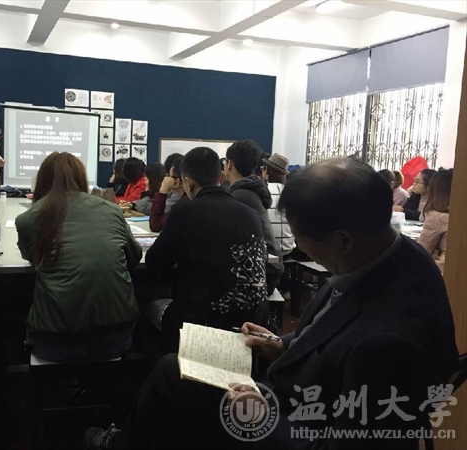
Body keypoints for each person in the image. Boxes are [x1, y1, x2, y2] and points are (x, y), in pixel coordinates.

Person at [85, 158, 458, 450]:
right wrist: (282, 344)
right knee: (178, 370)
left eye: (300, 238)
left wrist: (257, 414)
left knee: (172, 377)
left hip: (291, 418)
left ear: (342, 240)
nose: (298, 246)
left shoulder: (387, 346)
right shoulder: (392, 254)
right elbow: (334, 326)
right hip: (289, 391)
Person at [15, 152, 142, 362]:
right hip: (117, 336)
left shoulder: (28, 218)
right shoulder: (111, 211)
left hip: (54, 341)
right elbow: (134, 257)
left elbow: (33, 259)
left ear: (42, 181)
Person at [144, 147, 269, 353]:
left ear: (188, 182)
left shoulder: (185, 212)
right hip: (251, 322)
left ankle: (166, 366)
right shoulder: (250, 213)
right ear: (221, 177)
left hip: (201, 323)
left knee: (149, 307)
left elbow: (154, 262)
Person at [224, 140, 284, 294]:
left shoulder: (239, 196)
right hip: (271, 267)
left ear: (229, 164)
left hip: (261, 275)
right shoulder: (252, 190)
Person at [418, 169, 453, 274]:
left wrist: (431, 255)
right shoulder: (457, 215)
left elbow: (421, 251)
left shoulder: (437, 216)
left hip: (443, 271)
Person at [261, 153, 295, 257]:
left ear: (266, 170)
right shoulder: (290, 192)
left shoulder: (262, 191)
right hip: (288, 250)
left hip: (268, 252)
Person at [149, 157, 189, 232]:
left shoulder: (184, 204)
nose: (166, 179)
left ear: (177, 181)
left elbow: (155, 224)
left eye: (169, 176)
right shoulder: (185, 198)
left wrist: (163, 190)